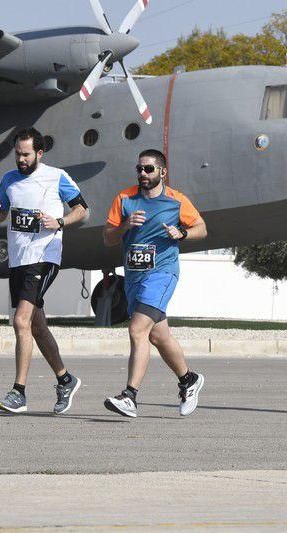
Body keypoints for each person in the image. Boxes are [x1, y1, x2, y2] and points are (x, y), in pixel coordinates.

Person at [0, 127, 88, 414]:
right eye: (17, 153)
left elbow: (82, 209)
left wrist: (60, 222)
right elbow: (0, 214)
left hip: (44, 257)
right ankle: (65, 380)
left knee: (21, 321)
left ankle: (18, 392)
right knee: (36, 325)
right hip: (18, 260)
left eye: (25, 154)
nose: (20, 159)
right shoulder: (8, 180)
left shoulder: (56, 177)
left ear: (39, 153)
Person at [102, 149, 207, 418]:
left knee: (137, 330)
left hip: (162, 273)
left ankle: (129, 396)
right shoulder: (125, 199)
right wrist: (125, 225)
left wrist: (182, 233)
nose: (142, 174)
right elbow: (108, 238)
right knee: (158, 336)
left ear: (162, 172)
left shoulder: (176, 200)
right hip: (134, 277)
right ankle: (188, 380)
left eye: (149, 169)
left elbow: (202, 229)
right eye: (139, 169)